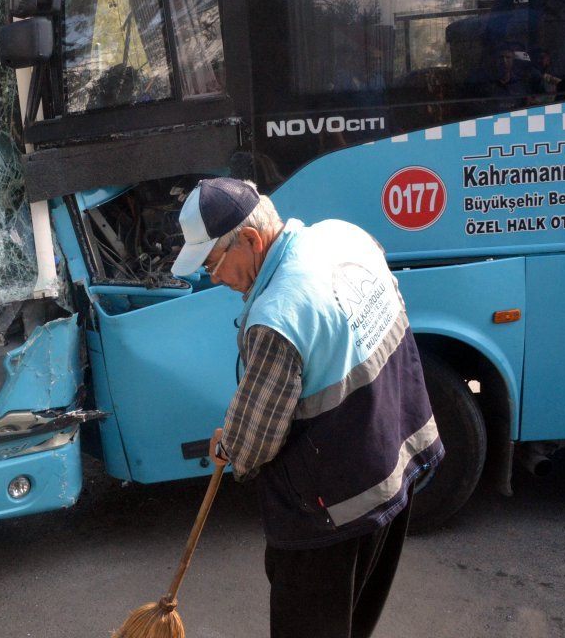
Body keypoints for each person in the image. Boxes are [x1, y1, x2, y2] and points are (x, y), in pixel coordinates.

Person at [170, 177, 444, 638]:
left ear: (252, 240)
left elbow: (253, 444)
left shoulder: (279, 314)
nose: (213, 277)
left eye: (214, 263)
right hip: (394, 468)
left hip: (331, 509)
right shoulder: (343, 236)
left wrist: (232, 444)